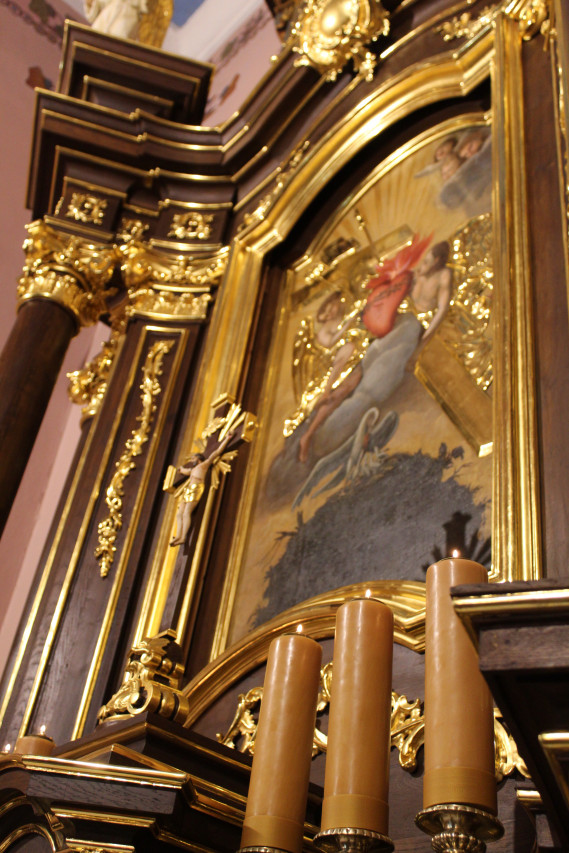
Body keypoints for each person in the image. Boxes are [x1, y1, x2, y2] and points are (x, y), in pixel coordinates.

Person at [169, 431, 234, 546]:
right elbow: (184, 471)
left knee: (187, 513)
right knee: (179, 514)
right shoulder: (192, 470)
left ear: (198, 458)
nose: (192, 460)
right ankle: (178, 535)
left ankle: (183, 537)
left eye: (193, 458)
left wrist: (227, 439)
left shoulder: (204, 465)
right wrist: (180, 470)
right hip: (188, 490)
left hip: (196, 489)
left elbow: (217, 452)